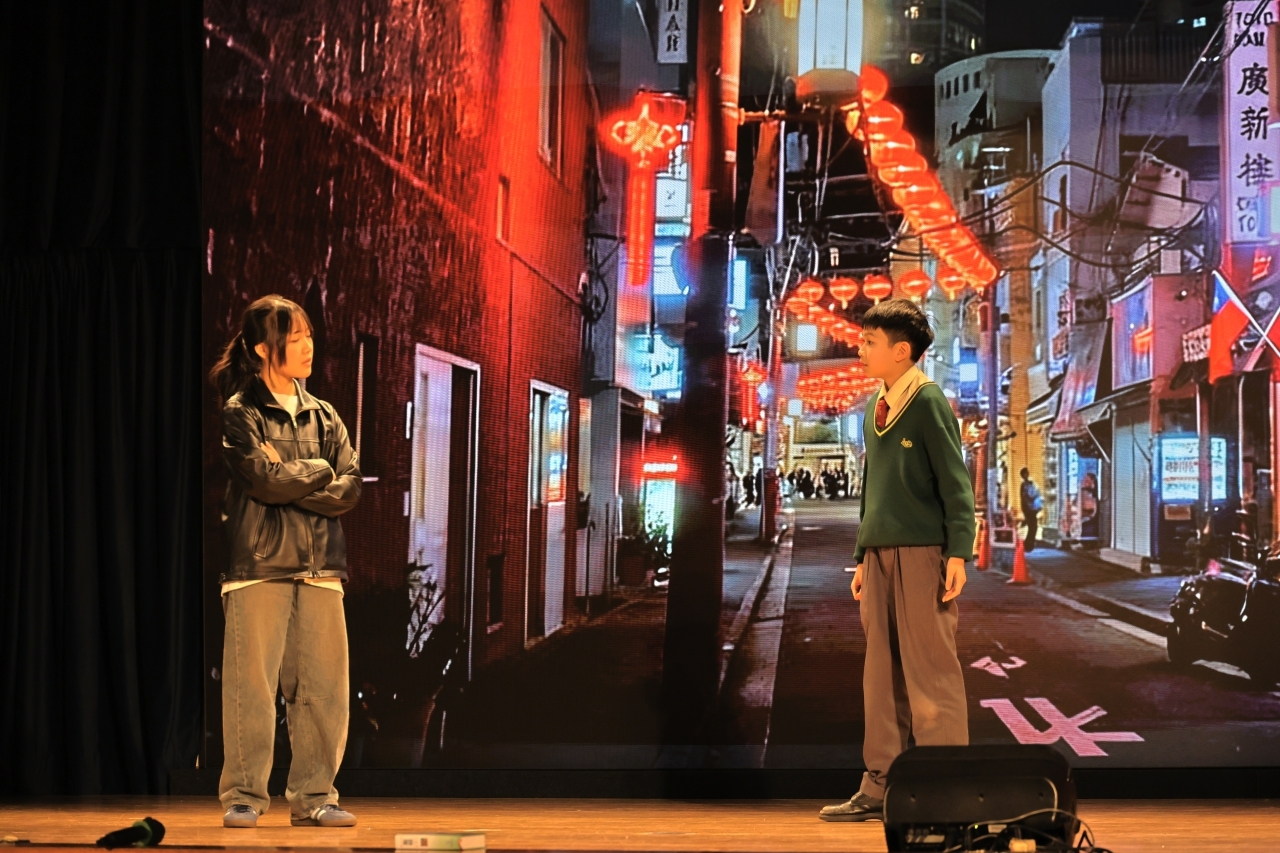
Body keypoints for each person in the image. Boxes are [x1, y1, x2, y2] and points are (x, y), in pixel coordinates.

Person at [820, 298, 976, 822]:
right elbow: (872, 489)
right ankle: (879, 784)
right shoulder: (874, 407)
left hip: (923, 553)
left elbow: (956, 483)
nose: (861, 350)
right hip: (879, 554)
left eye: (870, 342)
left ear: (901, 350)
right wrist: (862, 555)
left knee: (931, 672)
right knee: (880, 676)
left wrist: (958, 553)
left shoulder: (929, 402)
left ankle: (943, 790)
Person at [210, 295, 363, 829]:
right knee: (251, 688)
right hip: (259, 565)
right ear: (262, 349)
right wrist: (319, 470)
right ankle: (244, 796)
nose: (306, 347)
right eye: (293, 338)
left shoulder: (326, 414)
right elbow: (262, 481)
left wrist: (295, 474)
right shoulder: (241, 412)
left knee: (325, 690)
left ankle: (316, 796)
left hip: (322, 566)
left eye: (308, 336)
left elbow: (350, 488)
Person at [1019, 468, 1043, 552]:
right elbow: (1026, 497)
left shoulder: (1030, 483)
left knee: (1033, 526)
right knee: (1032, 526)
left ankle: (1029, 544)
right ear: (1023, 475)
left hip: (1031, 508)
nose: (1027, 474)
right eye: (1026, 473)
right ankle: (1028, 544)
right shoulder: (1024, 485)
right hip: (1028, 509)